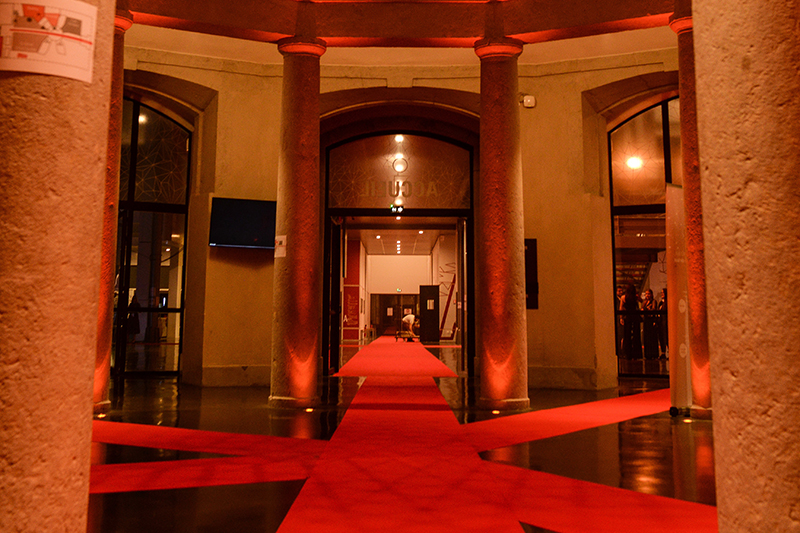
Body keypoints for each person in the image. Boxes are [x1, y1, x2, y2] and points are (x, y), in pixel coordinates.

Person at [619, 284, 642, 359]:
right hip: (635, 317)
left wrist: (621, 317)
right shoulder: (635, 297)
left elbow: (621, 308)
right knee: (636, 335)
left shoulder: (624, 297)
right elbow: (642, 301)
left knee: (627, 335)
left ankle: (628, 353)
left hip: (628, 317)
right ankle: (636, 353)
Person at [641, 289, 659, 359]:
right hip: (646, 321)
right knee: (646, 337)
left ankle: (653, 354)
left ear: (651, 294)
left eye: (648, 294)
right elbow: (642, 309)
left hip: (651, 321)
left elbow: (653, 309)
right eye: (646, 294)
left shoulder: (653, 301)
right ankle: (647, 354)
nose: (647, 295)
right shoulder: (645, 302)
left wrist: (647, 309)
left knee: (652, 338)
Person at [658, 288, 668, 357]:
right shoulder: (661, 302)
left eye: (663, 293)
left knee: (666, 337)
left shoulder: (667, 302)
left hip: (665, 322)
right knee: (662, 337)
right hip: (661, 322)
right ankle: (663, 352)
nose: (662, 294)